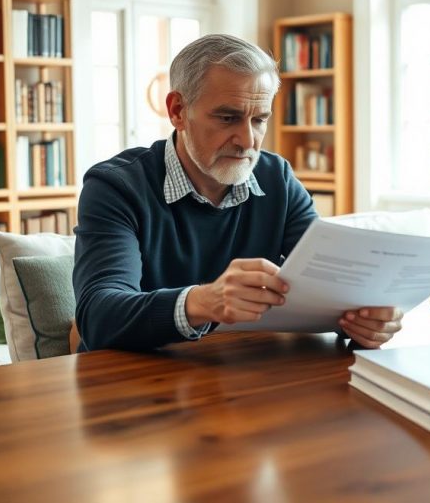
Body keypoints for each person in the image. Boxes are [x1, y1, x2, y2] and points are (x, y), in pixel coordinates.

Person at [73, 33, 403, 351]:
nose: (247, 141)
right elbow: (98, 317)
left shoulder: (278, 180)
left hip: (244, 374)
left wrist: (367, 318)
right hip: (136, 384)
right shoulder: (116, 187)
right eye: (228, 117)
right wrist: (201, 302)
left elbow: (333, 285)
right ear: (177, 111)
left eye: (259, 120)